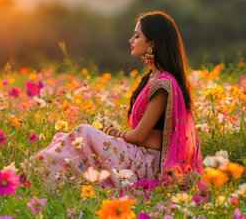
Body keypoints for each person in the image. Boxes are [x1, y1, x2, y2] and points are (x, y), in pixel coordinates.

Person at [30, 11, 203, 190]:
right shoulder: (153, 79)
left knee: (84, 133)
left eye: (136, 36)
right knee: (71, 142)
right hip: (139, 153)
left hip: (149, 162)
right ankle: (38, 177)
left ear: (152, 43)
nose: (131, 40)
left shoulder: (163, 84)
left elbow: (139, 136)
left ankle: (34, 176)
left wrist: (110, 132)